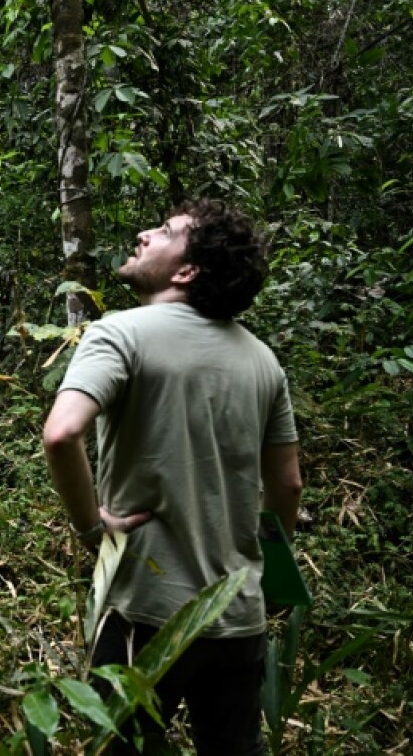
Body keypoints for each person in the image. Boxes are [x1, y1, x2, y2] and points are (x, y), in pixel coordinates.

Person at [41, 200, 303, 755]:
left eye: (163, 232)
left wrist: (91, 526)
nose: (143, 234)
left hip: (145, 610)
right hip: (238, 613)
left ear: (186, 271)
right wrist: (267, 577)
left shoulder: (119, 333)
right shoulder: (263, 360)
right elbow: (288, 487)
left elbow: (62, 434)